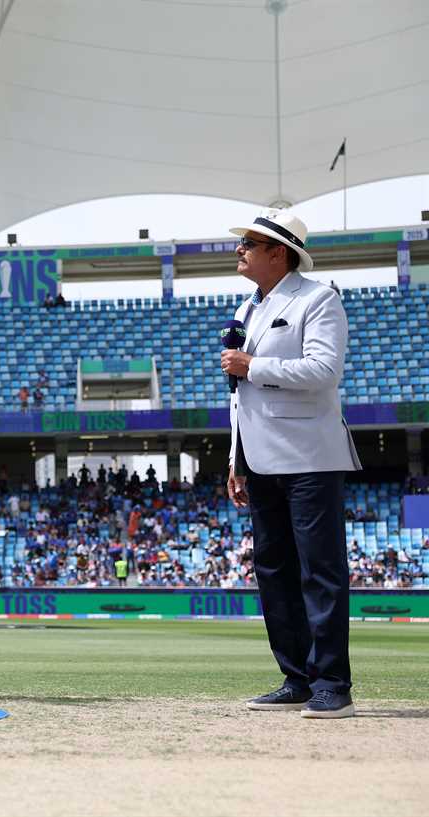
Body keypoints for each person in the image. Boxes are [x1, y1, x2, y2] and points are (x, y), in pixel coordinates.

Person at [222, 208, 361, 719]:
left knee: (320, 571)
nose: (240, 250)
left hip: (309, 455)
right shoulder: (247, 307)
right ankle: (296, 677)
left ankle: (333, 685)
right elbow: (240, 399)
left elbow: (325, 370)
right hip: (259, 458)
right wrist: (235, 460)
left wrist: (254, 365)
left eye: (250, 244)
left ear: (279, 252)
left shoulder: (318, 298)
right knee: (274, 570)